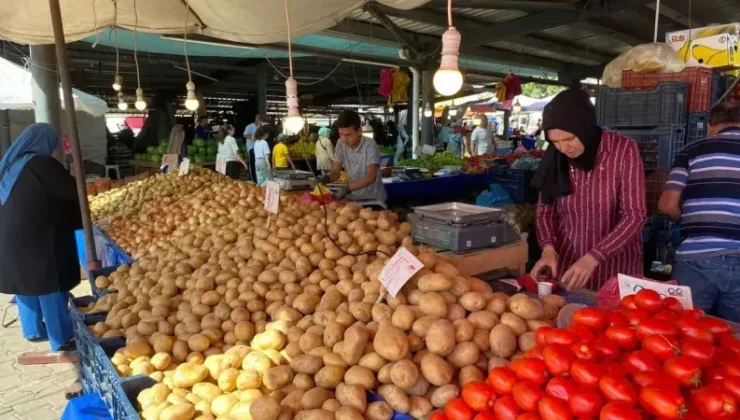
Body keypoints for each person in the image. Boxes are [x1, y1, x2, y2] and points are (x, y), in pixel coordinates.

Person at [530, 89, 646, 291]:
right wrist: (548, 249)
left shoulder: (623, 150)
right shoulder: (555, 158)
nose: (564, 148)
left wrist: (594, 257)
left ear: (583, 126)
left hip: (615, 271)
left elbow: (635, 215)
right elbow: (545, 210)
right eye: (555, 142)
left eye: (569, 139)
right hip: (568, 272)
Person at [0, 123, 81, 351]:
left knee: (24, 282)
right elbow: (72, 192)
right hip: (38, 239)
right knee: (50, 282)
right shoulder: (43, 164)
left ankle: (33, 330)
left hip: (11, 237)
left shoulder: (13, 164)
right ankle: (61, 337)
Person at [658, 102, 740, 321]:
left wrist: (690, 221)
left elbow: (667, 205)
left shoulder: (691, 151)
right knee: (734, 343)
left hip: (697, 259)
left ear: (710, 128)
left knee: (683, 334)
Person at [330, 110, 387, 203]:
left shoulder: (370, 145)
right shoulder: (340, 143)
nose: (344, 139)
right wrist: (327, 178)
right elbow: (336, 171)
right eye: (341, 134)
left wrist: (348, 188)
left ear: (359, 131)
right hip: (354, 198)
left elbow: (370, 176)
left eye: (348, 135)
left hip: (373, 199)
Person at [243, 114, 263, 182]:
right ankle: (253, 180)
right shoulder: (250, 126)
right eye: (260, 120)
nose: (260, 122)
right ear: (257, 119)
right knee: (252, 165)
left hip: (259, 149)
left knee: (258, 165)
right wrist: (253, 137)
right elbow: (245, 134)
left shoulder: (261, 127)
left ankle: (258, 179)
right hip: (252, 148)